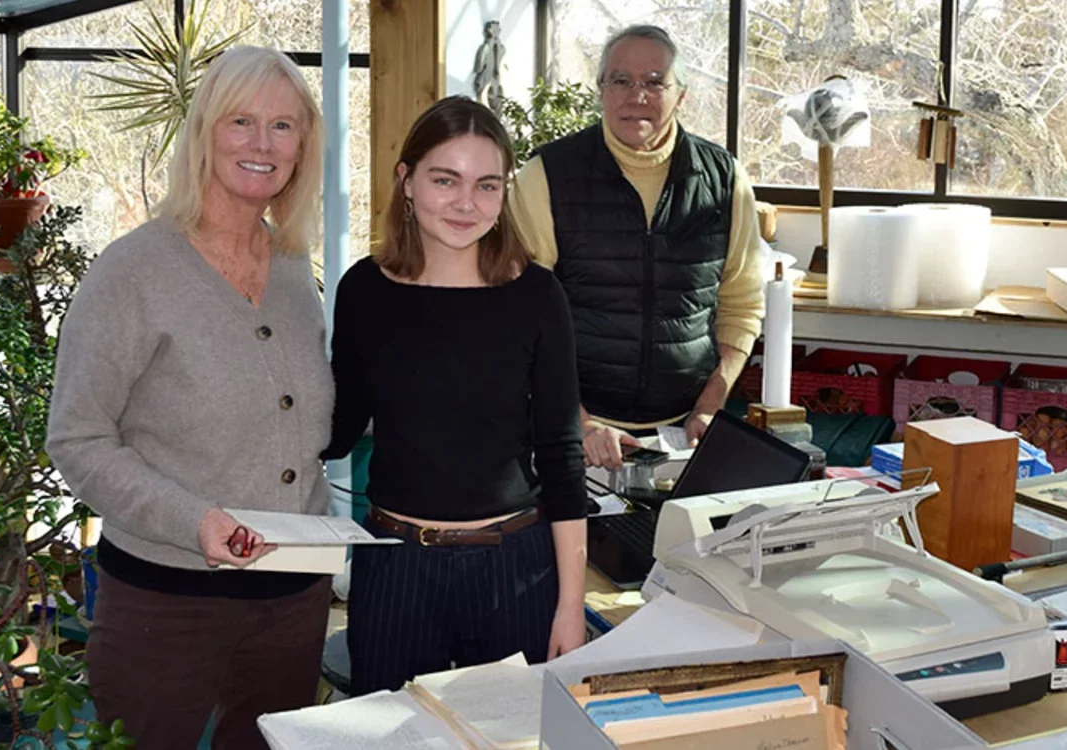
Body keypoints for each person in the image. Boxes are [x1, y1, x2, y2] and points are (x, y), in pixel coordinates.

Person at [47, 46, 333, 749]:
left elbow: (297, 425)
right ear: (204, 132)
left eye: (283, 126)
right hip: (164, 602)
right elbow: (77, 439)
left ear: (303, 148)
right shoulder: (133, 272)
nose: (262, 144)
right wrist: (193, 519)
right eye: (241, 121)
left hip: (293, 598)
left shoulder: (296, 271)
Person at [322, 96, 588, 696]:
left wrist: (571, 605)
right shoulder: (365, 289)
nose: (467, 203)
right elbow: (337, 427)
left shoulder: (538, 297)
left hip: (514, 567)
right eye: (446, 179)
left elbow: (562, 455)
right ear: (406, 181)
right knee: (389, 738)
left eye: (487, 185)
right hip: (395, 565)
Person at [510, 24, 766, 469]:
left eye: (654, 81)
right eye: (621, 81)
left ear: (680, 94)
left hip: (682, 432)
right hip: (570, 426)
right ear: (601, 90)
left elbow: (741, 302)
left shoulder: (725, 180)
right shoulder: (546, 175)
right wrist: (580, 423)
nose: (637, 95)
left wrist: (710, 405)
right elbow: (518, 312)